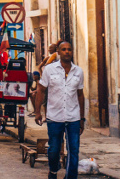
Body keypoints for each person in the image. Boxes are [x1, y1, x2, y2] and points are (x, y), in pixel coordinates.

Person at [34, 41, 85, 179]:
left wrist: (82, 118)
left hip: (73, 117)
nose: (67, 52)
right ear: (58, 52)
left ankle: (71, 176)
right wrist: (38, 112)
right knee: (54, 150)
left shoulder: (78, 71)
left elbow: (80, 95)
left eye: (69, 49)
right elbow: (41, 91)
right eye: (64, 49)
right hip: (54, 117)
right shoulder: (49, 70)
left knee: (74, 150)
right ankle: (53, 170)